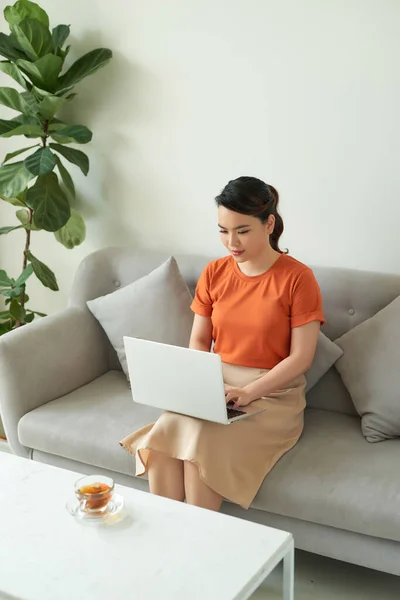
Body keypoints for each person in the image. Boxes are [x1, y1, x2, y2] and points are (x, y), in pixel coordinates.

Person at [120, 176, 325, 512]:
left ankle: (201, 543)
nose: (232, 242)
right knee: (166, 435)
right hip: (216, 385)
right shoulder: (214, 272)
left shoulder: (298, 278)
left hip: (273, 395)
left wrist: (249, 393)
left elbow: (301, 357)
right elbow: (200, 339)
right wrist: (193, 384)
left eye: (242, 230)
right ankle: (167, 538)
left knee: (202, 441)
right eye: (223, 230)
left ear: (269, 223)